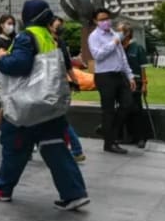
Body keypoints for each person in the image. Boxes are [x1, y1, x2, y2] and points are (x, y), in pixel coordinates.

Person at [0, 0, 89, 211]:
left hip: (27, 105)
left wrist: (2, 58)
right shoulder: (51, 37)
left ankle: (2, 189)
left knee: (14, 147)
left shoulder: (27, 36)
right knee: (56, 148)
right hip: (49, 104)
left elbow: (20, 65)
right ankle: (74, 193)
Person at [88, 8, 136, 154]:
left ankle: (107, 129)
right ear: (96, 21)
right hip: (104, 76)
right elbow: (98, 55)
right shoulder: (94, 36)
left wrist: (130, 75)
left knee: (128, 104)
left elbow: (122, 56)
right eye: (102, 19)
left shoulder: (114, 33)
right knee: (108, 110)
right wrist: (113, 43)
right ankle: (110, 143)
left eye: (107, 18)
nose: (106, 22)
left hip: (119, 74)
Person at [51, 16, 85, 162]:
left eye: (60, 26)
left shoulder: (58, 42)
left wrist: (75, 81)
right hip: (56, 84)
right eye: (58, 25)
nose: (60, 28)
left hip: (55, 84)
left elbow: (68, 65)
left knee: (58, 118)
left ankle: (76, 149)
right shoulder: (55, 42)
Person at [118, 21, 149, 149]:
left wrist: (145, 84)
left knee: (137, 110)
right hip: (121, 83)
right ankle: (127, 136)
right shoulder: (117, 47)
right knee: (125, 110)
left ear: (127, 33)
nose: (117, 34)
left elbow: (143, 68)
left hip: (135, 83)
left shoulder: (137, 48)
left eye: (120, 31)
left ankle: (140, 138)